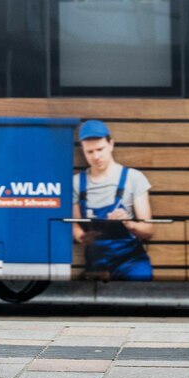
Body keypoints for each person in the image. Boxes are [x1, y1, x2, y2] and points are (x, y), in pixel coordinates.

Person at [72, 120, 154, 280]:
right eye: (89, 152)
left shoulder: (133, 178)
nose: (96, 156)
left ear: (111, 145)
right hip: (97, 264)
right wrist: (82, 237)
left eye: (100, 149)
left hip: (131, 262)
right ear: (83, 150)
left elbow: (149, 231)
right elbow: (74, 226)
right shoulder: (76, 183)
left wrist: (128, 223)